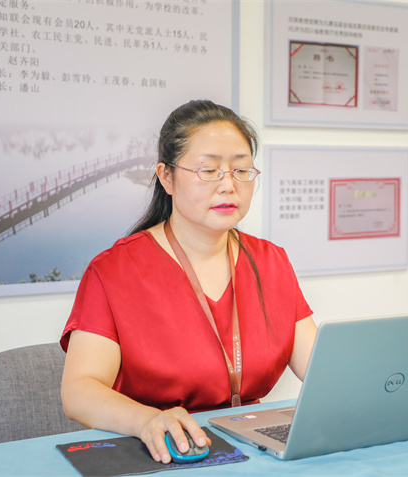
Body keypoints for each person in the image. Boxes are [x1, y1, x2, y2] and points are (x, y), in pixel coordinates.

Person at [60, 100, 318, 464]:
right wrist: (147, 420)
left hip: (254, 452)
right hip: (161, 451)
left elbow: (324, 373)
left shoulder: (270, 261)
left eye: (241, 170)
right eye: (209, 170)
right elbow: (79, 392)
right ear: (166, 177)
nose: (228, 186)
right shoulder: (114, 271)